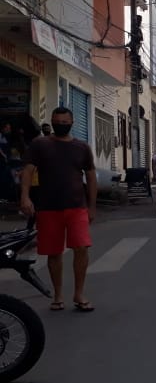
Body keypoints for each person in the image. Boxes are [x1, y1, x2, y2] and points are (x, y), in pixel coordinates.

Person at [18, 107, 98, 312]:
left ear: (72, 123)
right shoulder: (40, 145)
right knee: (53, 253)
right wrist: (25, 197)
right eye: (57, 122)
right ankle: (58, 295)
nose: (61, 125)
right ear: (52, 122)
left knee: (81, 248)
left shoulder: (82, 147)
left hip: (77, 207)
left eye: (65, 122)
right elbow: (27, 171)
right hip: (48, 207)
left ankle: (79, 294)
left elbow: (90, 177)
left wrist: (92, 206)